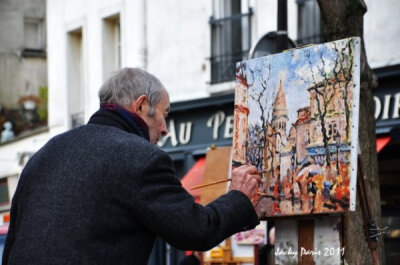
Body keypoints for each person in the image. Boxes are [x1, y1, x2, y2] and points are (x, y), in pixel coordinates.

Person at [2, 68, 261, 265]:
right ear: (141, 105)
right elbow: (197, 229)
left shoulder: (44, 154)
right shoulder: (141, 158)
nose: (164, 128)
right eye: (164, 114)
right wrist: (238, 197)